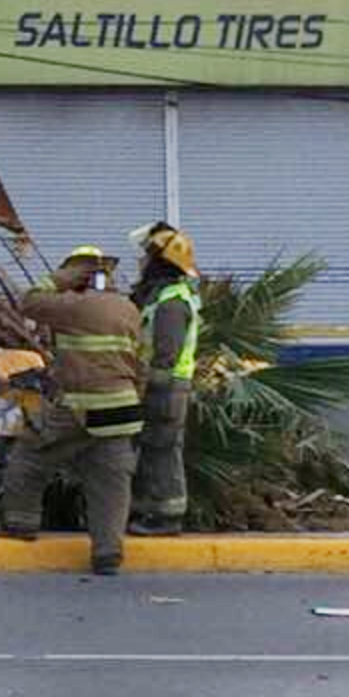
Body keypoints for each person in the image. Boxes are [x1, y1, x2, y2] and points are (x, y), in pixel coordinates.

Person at [0, 245, 145, 575]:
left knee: (30, 456)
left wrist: (61, 278)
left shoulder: (73, 306)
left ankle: (20, 522)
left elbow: (29, 301)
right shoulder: (128, 307)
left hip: (79, 404)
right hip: (122, 406)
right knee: (111, 481)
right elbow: (142, 362)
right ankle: (108, 552)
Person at [129, 222, 201, 538]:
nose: (141, 261)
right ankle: (148, 509)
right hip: (164, 385)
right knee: (153, 448)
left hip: (166, 387)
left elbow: (166, 353)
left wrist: (147, 389)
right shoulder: (162, 296)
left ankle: (167, 516)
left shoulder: (171, 302)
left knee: (162, 449)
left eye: (147, 256)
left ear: (160, 262)